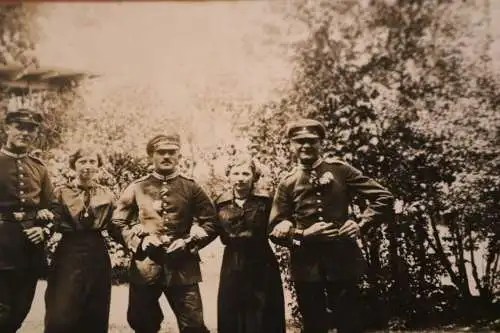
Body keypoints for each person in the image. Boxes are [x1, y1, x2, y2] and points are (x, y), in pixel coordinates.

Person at [269, 118, 394, 333]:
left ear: (321, 144)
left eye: (312, 141)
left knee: (350, 322)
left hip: (342, 259)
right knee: (314, 325)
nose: (306, 146)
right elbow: (274, 229)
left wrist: (361, 224)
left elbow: (384, 197)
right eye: (300, 141)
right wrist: (302, 233)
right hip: (306, 265)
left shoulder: (340, 171)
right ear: (291, 145)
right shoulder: (287, 181)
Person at [110, 133, 216, 333]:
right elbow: (117, 222)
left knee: (193, 325)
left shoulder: (191, 187)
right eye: (161, 152)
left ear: (179, 156)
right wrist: (140, 241)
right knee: (142, 323)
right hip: (146, 267)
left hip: (183, 267)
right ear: (151, 156)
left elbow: (211, 222)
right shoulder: (137, 187)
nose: (166, 156)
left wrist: (188, 242)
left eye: (172, 152)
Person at [44, 148, 115, 333]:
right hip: (69, 250)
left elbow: (117, 224)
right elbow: (51, 220)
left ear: (99, 166)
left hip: (97, 251)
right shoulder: (60, 192)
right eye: (82, 161)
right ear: (73, 165)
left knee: (95, 308)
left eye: (92, 162)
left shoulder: (107, 194)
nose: (88, 166)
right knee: (62, 309)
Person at [214, 156, 285, 333]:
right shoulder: (219, 203)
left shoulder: (266, 201)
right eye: (235, 173)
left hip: (261, 262)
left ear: (254, 176)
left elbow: (280, 222)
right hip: (232, 262)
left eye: (246, 173)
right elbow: (208, 226)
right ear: (228, 176)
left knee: (263, 314)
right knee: (232, 312)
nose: (240, 178)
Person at [0, 108, 55, 333]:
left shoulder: (39, 168)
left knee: (20, 309)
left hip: (30, 250)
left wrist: (44, 230)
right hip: (1, 248)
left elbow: (52, 208)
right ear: (7, 129)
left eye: (31, 129)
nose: (25, 133)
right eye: (20, 127)